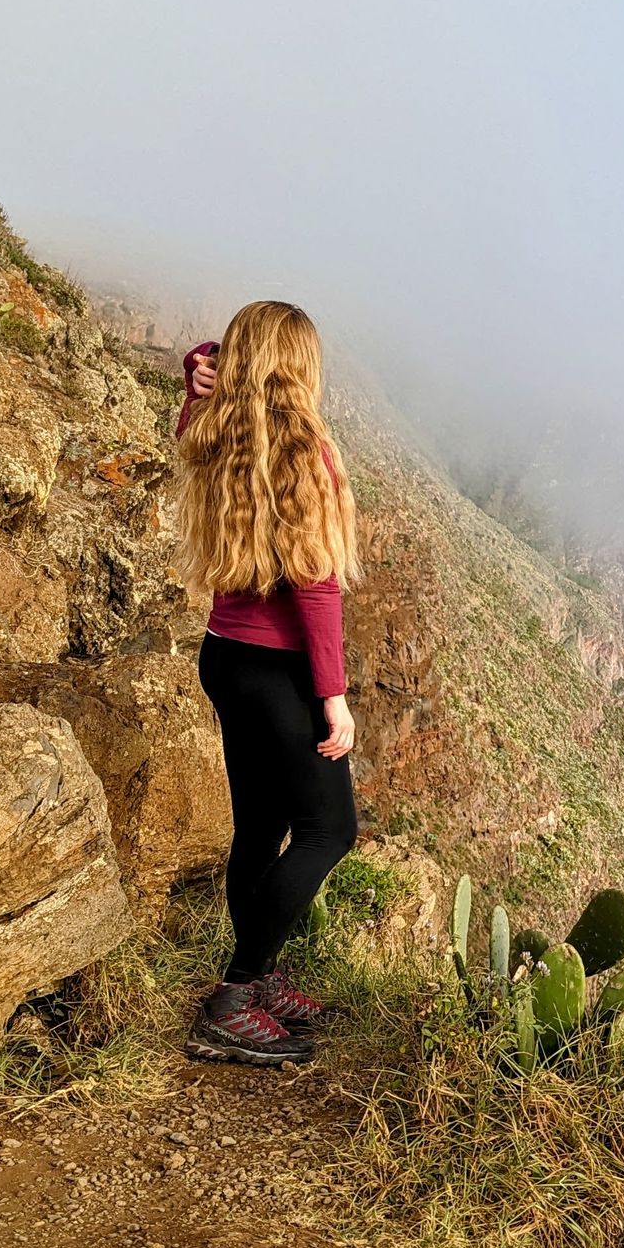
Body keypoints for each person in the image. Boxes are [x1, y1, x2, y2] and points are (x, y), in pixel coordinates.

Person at [173, 301, 359, 1065]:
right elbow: (316, 587)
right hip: (281, 670)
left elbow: (188, 425)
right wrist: (334, 696)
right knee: (328, 830)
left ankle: (262, 980)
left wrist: (198, 371)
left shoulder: (218, 434)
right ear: (298, 366)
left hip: (225, 656)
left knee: (259, 830)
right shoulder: (302, 453)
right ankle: (236, 993)